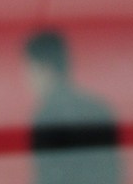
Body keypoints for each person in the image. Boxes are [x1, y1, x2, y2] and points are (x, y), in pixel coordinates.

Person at [24, 31, 121, 184]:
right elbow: (114, 172)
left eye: (30, 70)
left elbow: (48, 176)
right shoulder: (98, 108)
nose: (28, 80)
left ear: (44, 69)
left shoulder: (46, 117)